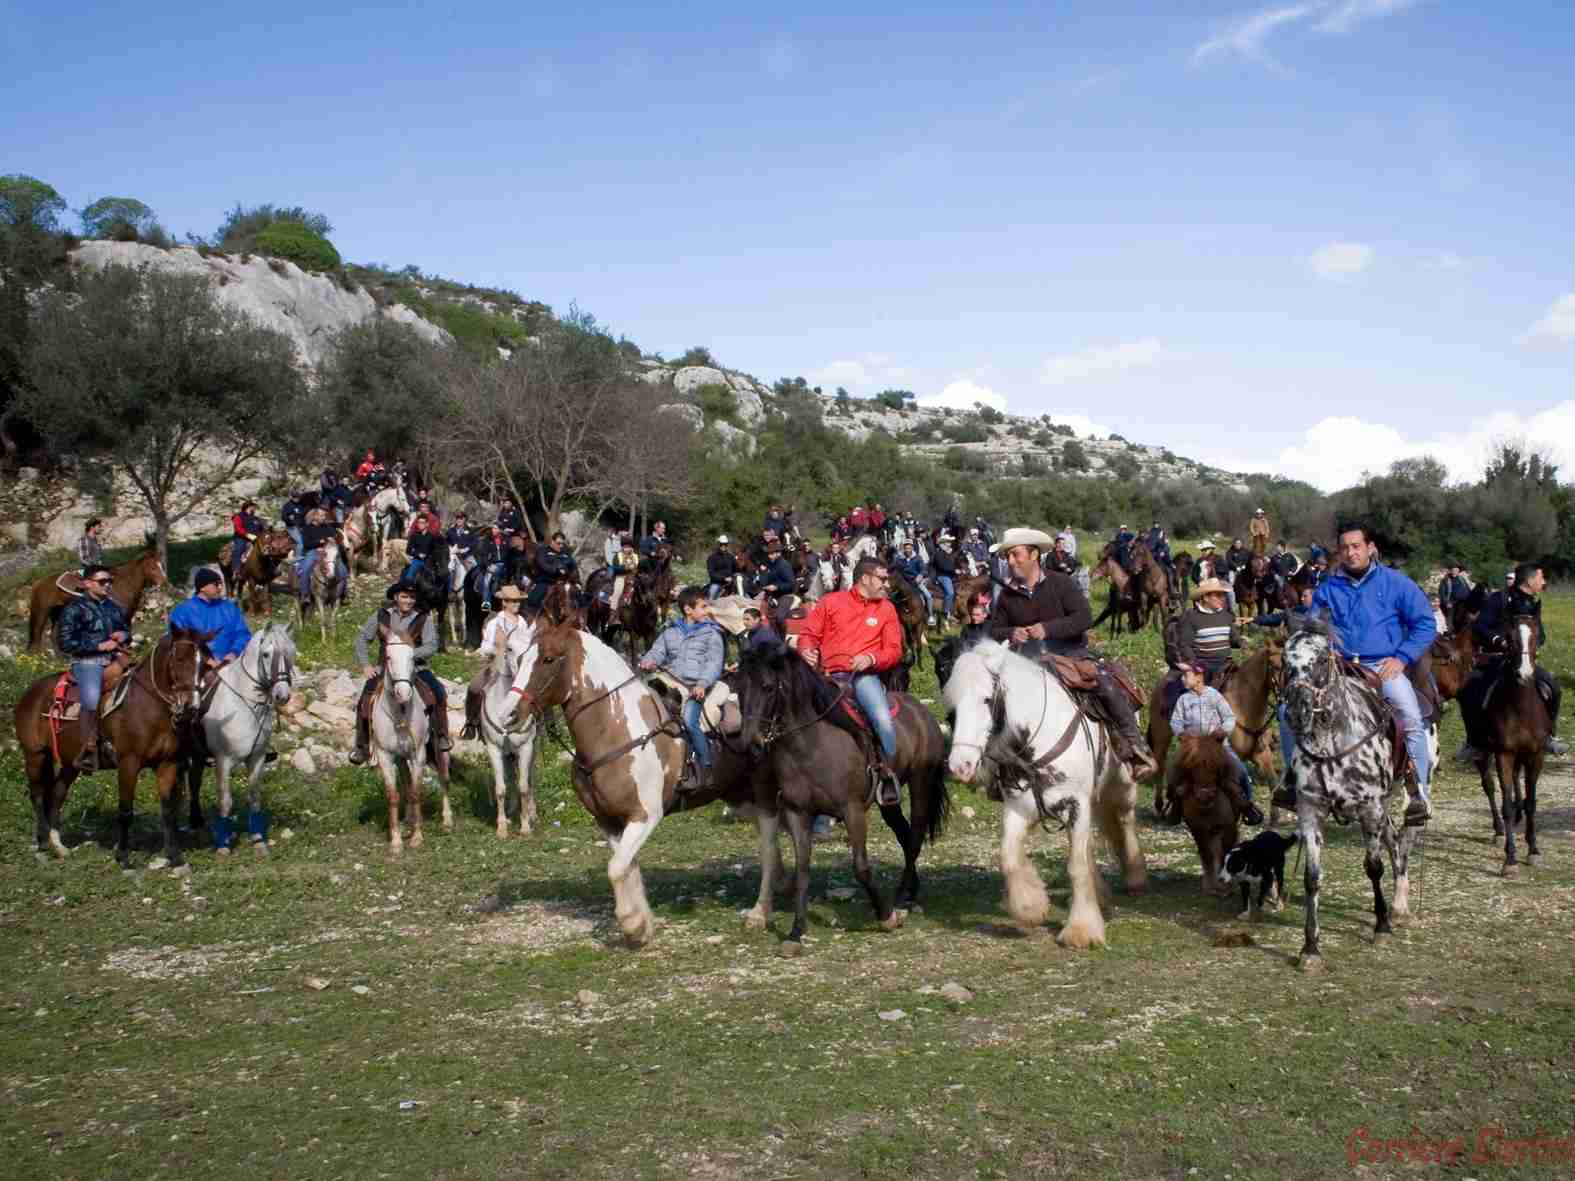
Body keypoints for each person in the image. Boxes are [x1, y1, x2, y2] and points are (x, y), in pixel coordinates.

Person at [1273, 523, 1437, 824]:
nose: (1350, 552)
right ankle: (1293, 780)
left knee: (1411, 717)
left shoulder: (1396, 584)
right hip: (1340, 667)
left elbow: (1425, 624)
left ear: (1369, 547)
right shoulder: (1327, 590)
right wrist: (1324, 648)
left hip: (1381, 668)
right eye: (1344, 548)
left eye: (1356, 546)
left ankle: (1418, 793)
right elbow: (1312, 629)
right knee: (1287, 711)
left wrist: (1401, 659)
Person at [988, 527, 1158, 778]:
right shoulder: (1006, 595)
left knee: (1106, 685)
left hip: (1071, 656)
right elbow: (994, 630)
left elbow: (1084, 618)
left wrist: (1048, 629)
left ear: (1033, 554)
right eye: (1007, 557)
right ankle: (994, 763)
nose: (1010, 561)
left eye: (1015, 555)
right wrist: (1012, 632)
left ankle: (1136, 749)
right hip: (1027, 664)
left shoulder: (1061, 583)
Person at [796, 556, 905, 806]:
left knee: (881, 718)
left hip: (864, 677)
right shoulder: (830, 602)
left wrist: (871, 658)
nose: (886, 584)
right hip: (828, 676)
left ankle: (888, 774)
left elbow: (894, 650)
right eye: (882, 578)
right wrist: (806, 650)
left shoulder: (886, 609)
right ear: (864, 578)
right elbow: (809, 635)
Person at [1463, 562, 1566, 756]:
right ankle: (1474, 743)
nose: (1543, 582)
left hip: (1524, 660)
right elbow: (1480, 626)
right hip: (1497, 658)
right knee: (1471, 691)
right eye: (1540, 578)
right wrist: (1499, 640)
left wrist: (1533, 643)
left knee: (1554, 687)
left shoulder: (1532, 604)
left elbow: (1540, 632)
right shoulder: (1498, 599)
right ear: (1530, 580)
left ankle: (1549, 736)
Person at [349, 581, 452, 764]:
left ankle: (441, 735)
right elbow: (363, 639)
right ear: (396, 597)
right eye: (405, 596)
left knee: (438, 692)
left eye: (412, 597)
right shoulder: (381, 616)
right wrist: (365, 665)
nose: (409, 601)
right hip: (385, 669)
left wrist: (409, 654)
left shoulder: (423, 618)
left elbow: (431, 645)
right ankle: (361, 746)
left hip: (416, 668)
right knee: (364, 700)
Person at [638, 587, 725, 790]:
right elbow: (657, 652)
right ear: (688, 609)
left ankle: (705, 767)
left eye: (707, 606)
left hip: (696, 688)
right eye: (703, 607)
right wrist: (649, 661)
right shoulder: (670, 632)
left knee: (689, 720)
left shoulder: (712, 634)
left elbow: (714, 664)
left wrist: (702, 684)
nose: (707, 610)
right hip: (670, 683)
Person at [1167, 662, 1264, 826]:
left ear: (1198, 677)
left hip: (1217, 746)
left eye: (1187, 675)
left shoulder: (1214, 696)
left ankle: (1247, 806)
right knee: (1174, 771)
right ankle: (1175, 806)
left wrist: (1223, 731)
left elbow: (1229, 718)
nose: (1183, 679)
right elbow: (1175, 721)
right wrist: (1181, 733)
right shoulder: (1183, 699)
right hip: (1193, 748)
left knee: (1239, 769)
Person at [57, 564, 131, 772]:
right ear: (87, 583)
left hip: (117, 659)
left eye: (110, 582)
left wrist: (124, 635)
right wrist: (97, 646)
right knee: (91, 697)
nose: (107, 585)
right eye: (102, 582)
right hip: (87, 662)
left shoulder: (113, 606)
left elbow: (125, 629)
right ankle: (88, 747)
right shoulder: (74, 608)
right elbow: (64, 642)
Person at [462, 584, 529, 739]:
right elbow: (485, 646)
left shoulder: (522, 622)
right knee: (474, 687)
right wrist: (500, 649)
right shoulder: (494, 622)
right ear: (504, 602)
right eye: (512, 601)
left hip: (519, 664)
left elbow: (527, 642)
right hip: (497, 664)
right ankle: (471, 723)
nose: (516, 604)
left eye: (518, 601)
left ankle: (546, 726)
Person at [171, 567, 252, 676]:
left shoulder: (229, 608)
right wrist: (207, 660)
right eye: (216, 584)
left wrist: (233, 653)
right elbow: (178, 642)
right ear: (203, 587)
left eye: (221, 584)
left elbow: (242, 634)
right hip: (196, 670)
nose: (220, 588)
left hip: (231, 667)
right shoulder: (183, 611)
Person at [1174, 578, 1241, 682]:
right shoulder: (1192, 618)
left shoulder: (1226, 616)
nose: (1222, 599)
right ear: (1206, 597)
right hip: (1203, 666)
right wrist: (1195, 664)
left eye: (1223, 595)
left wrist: (1241, 641)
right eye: (1218, 595)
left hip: (1226, 665)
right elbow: (1184, 645)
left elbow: (1233, 639)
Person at [296, 508, 348, 608]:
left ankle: (342, 594)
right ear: (315, 517)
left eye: (324, 516)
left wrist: (334, 539)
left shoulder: (327, 527)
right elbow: (307, 544)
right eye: (322, 516)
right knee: (305, 569)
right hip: (314, 551)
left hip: (329, 552)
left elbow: (334, 538)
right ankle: (305, 595)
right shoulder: (307, 529)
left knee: (343, 571)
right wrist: (320, 541)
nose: (324, 518)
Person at [527, 531, 577, 612]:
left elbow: (573, 566)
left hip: (564, 582)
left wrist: (575, 579)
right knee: (534, 599)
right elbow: (543, 565)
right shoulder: (543, 551)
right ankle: (531, 618)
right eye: (558, 543)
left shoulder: (565, 552)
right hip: (547, 581)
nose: (561, 546)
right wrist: (557, 570)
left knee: (579, 598)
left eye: (562, 544)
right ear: (552, 541)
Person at [229, 500, 266, 585]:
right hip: (241, 538)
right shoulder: (238, 516)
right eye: (253, 506)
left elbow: (261, 529)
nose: (254, 508)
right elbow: (238, 528)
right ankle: (236, 571)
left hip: (256, 538)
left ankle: (269, 570)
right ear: (248, 507)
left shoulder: (256, 518)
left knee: (266, 550)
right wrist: (247, 535)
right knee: (238, 550)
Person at [402, 514, 439, 583]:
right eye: (418, 522)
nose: (420, 524)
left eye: (422, 523)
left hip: (429, 561)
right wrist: (418, 554)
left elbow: (435, 550)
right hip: (417, 560)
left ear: (427, 524)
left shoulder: (432, 537)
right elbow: (408, 550)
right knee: (409, 576)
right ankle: (408, 589)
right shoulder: (414, 536)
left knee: (442, 575)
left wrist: (430, 556)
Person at [931, 535, 958, 625]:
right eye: (948, 542)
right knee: (950, 593)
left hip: (950, 575)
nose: (950, 543)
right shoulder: (938, 553)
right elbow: (943, 566)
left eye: (950, 542)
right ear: (942, 543)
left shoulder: (948, 553)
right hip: (942, 576)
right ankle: (945, 613)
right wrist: (955, 570)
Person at [609, 536, 639, 610]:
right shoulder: (617, 556)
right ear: (622, 547)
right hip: (621, 576)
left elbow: (638, 567)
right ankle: (613, 610)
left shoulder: (636, 556)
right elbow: (614, 568)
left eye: (629, 546)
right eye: (625, 546)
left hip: (634, 578)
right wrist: (625, 568)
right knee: (618, 590)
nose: (627, 548)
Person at [707, 535, 737, 601]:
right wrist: (724, 578)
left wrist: (733, 577)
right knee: (712, 593)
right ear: (719, 544)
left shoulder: (731, 557)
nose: (723, 546)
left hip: (730, 582)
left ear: (727, 545)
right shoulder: (712, 557)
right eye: (721, 544)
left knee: (743, 593)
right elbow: (711, 573)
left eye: (725, 544)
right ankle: (709, 605)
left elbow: (736, 569)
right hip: (717, 583)